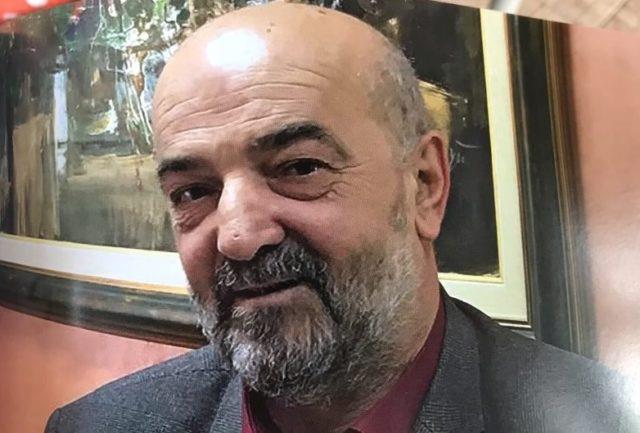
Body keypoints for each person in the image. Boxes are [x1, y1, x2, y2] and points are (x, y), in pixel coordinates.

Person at [45, 3, 634, 433]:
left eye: (299, 167)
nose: (239, 237)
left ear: (424, 186)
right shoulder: (100, 425)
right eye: (193, 191)